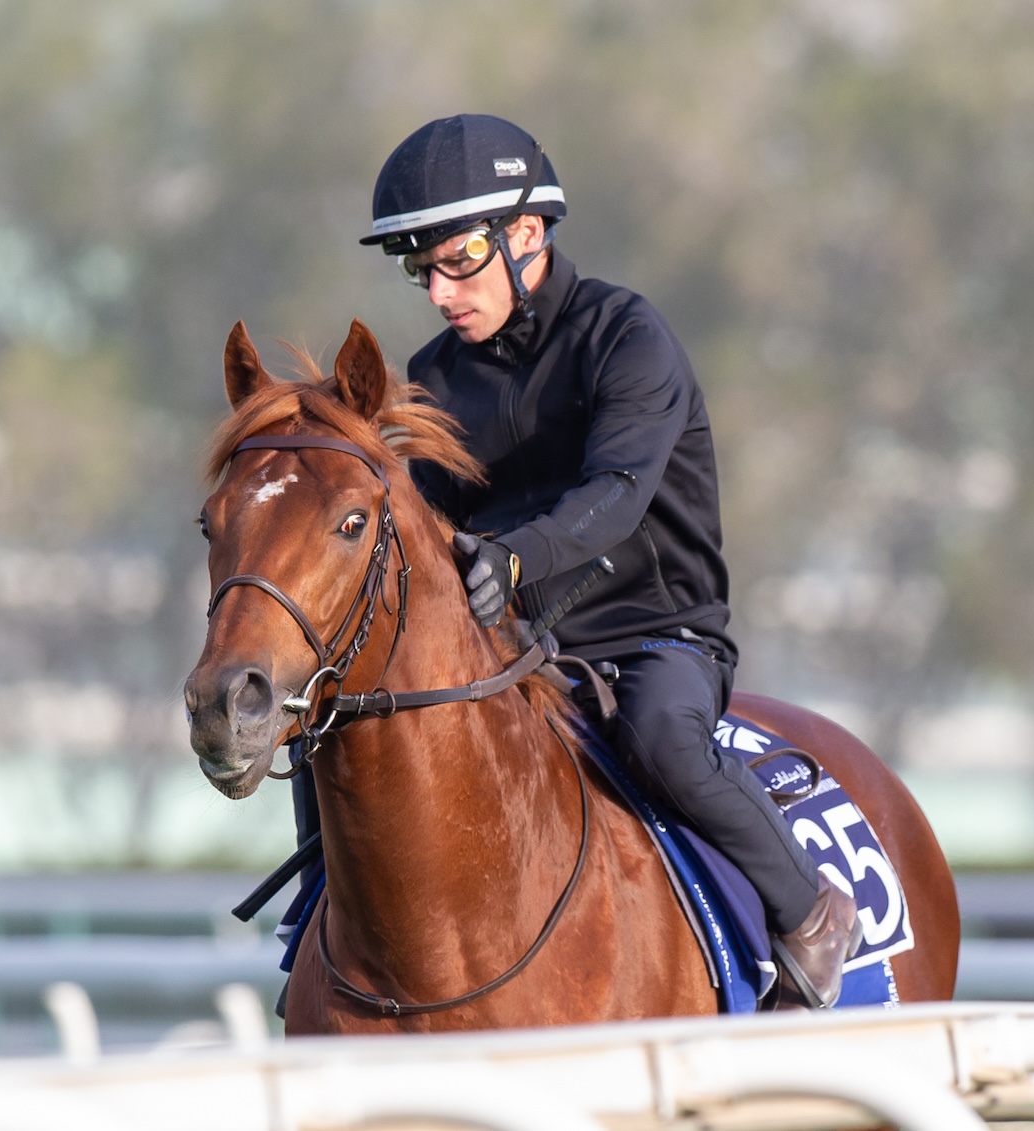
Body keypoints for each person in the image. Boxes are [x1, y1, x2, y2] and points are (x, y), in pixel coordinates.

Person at [356, 114, 861, 1007]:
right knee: (359, 723)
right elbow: (430, 527)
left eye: (457, 260)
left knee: (663, 737)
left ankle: (809, 913)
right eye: (419, 268)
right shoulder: (432, 374)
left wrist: (511, 560)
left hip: (656, 640)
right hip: (514, 652)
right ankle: (325, 923)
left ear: (525, 234)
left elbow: (617, 493)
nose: (438, 291)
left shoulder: (628, 337)